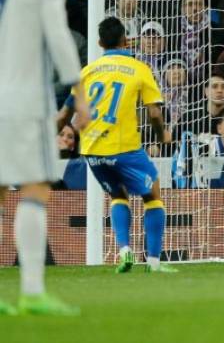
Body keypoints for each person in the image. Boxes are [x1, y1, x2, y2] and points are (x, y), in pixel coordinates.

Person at [0, 0, 90, 316]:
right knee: (34, 189)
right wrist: (80, 95)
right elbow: (59, 38)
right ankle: (32, 291)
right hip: (24, 101)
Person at [59, 17, 176, 274]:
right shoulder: (138, 68)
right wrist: (162, 136)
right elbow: (155, 114)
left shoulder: (87, 71)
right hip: (124, 148)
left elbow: (62, 116)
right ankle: (154, 263)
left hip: (91, 151)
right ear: (127, 40)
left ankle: (124, 251)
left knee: (118, 195)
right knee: (152, 196)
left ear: (100, 43)